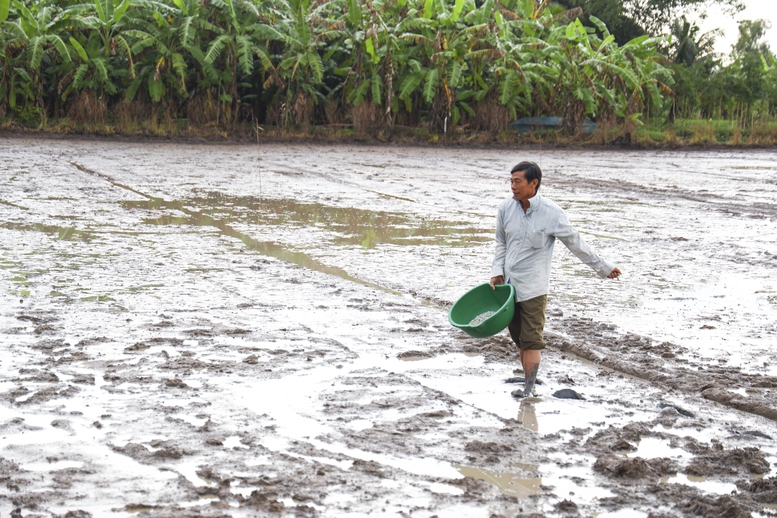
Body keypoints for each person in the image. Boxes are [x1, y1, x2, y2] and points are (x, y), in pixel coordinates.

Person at [489, 161, 621, 399]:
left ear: (534, 183)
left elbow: (576, 244)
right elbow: (501, 243)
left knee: (531, 341)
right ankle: (529, 380)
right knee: (520, 339)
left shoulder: (552, 213)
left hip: (534, 288)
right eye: (511, 181)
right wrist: (496, 271)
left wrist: (603, 268)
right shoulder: (505, 209)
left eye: (517, 181)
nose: (512, 186)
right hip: (508, 287)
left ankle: (529, 391)